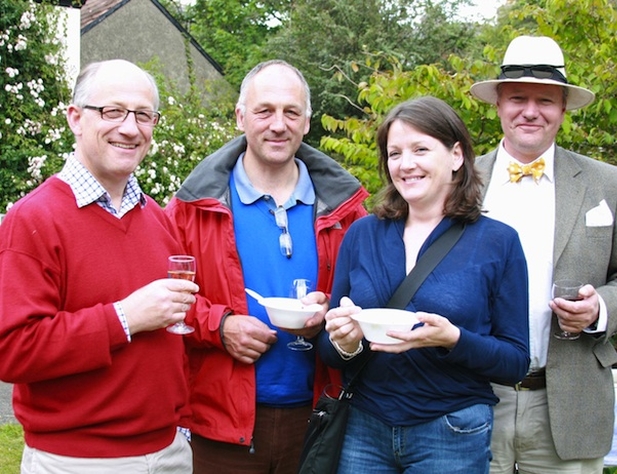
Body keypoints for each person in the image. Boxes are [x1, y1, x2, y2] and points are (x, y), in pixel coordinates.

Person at [165, 59, 369, 474]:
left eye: (291, 112)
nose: (279, 124)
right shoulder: (192, 207)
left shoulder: (348, 213)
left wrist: (329, 312)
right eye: (265, 111)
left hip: (320, 416)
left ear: (307, 122)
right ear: (240, 117)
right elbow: (164, 298)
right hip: (221, 423)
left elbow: (371, 294)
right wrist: (220, 327)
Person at [0, 60, 198, 473]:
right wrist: (123, 318)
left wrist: (179, 429)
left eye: (143, 115)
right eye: (112, 111)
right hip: (78, 461)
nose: (130, 128)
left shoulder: (157, 220)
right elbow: (13, 351)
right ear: (76, 118)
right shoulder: (33, 220)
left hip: (169, 454)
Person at [318, 96, 530, 473]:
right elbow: (330, 349)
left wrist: (453, 339)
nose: (406, 164)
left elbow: (514, 363)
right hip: (364, 427)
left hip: (451, 430)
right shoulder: (362, 234)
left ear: (456, 156)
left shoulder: (498, 242)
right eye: (394, 153)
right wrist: (343, 341)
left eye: (420, 149)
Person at [469, 35, 617, 473]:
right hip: (472, 399)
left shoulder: (607, 183)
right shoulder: (461, 182)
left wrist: (600, 308)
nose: (531, 110)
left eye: (545, 99)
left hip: (570, 402)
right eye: (518, 98)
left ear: (563, 108)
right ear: (499, 105)